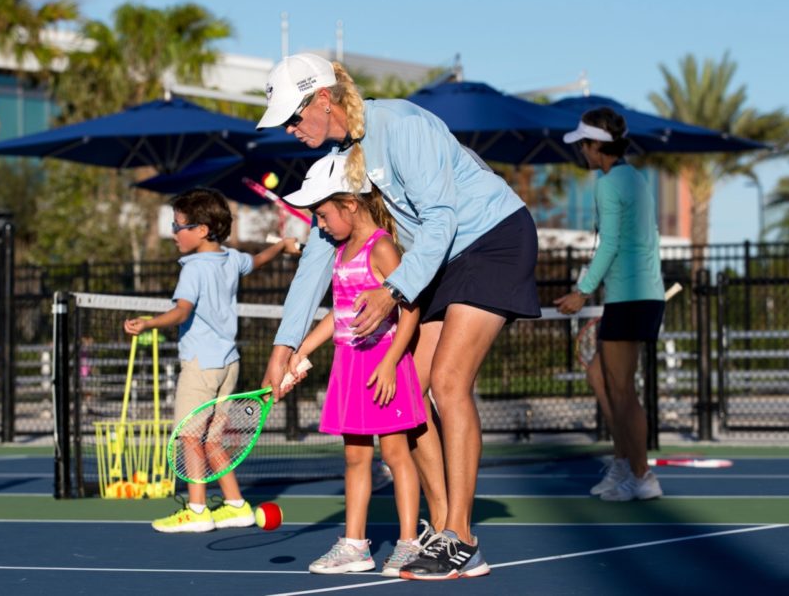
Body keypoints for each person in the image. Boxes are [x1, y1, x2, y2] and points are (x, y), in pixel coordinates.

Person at [257, 53, 540, 580]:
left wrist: (394, 290)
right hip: (439, 258)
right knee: (409, 391)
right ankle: (439, 527)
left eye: (294, 118)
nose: (291, 130)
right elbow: (316, 260)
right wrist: (284, 347)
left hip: (493, 239)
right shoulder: (336, 163)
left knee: (450, 384)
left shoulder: (402, 126)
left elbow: (441, 217)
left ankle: (462, 536)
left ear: (324, 99)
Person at [281, 154, 427, 576]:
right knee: (355, 458)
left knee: (397, 454)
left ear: (350, 204)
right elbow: (338, 314)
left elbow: (411, 308)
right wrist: (300, 350)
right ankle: (354, 546)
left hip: (384, 366)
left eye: (324, 215)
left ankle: (407, 544)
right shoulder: (342, 251)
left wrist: (391, 363)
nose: (320, 225)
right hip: (349, 367)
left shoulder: (382, 246)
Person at [123, 187, 299, 533]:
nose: (173, 232)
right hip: (228, 365)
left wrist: (148, 324)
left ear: (201, 230)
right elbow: (258, 261)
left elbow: (181, 310)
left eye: (179, 226)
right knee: (212, 440)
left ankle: (197, 509)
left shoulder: (193, 269)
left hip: (201, 366)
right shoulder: (231, 259)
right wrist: (282, 245)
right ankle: (236, 506)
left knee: (189, 437)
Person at [553, 107, 665, 502]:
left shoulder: (608, 183)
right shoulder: (634, 179)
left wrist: (582, 291)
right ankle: (623, 465)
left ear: (597, 145)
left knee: (622, 391)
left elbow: (612, 244)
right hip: (637, 296)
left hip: (631, 298)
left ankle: (641, 475)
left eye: (584, 144)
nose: (582, 151)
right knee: (601, 377)